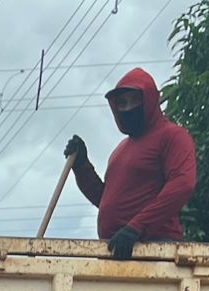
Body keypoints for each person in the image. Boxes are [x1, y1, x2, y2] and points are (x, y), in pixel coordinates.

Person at [64, 68, 196, 260]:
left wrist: (137, 228)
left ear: (149, 100)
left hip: (155, 248)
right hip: (117, 248)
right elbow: (105, 200)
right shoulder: (120, 150)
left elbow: (183, 184)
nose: (128, 108)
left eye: (135, 100)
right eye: (122, 104)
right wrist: (82, 167)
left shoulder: (173, 136)